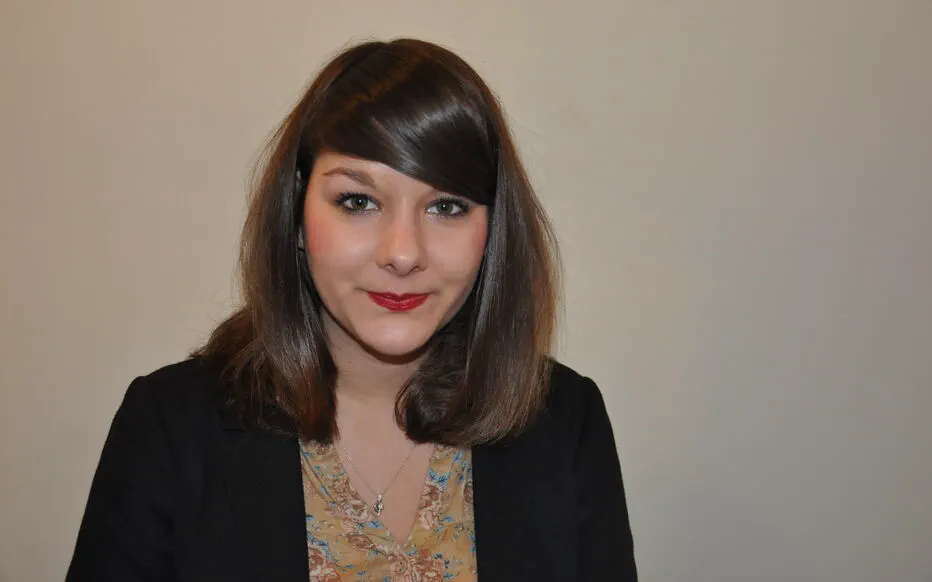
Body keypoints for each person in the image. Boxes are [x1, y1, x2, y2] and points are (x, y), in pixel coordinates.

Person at [66, 38, 637, 581]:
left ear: (493, 231)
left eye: (446, 206)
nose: (403, 253)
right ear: (296, 214)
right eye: (358, 201)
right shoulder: (170, 427)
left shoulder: (567, 420)